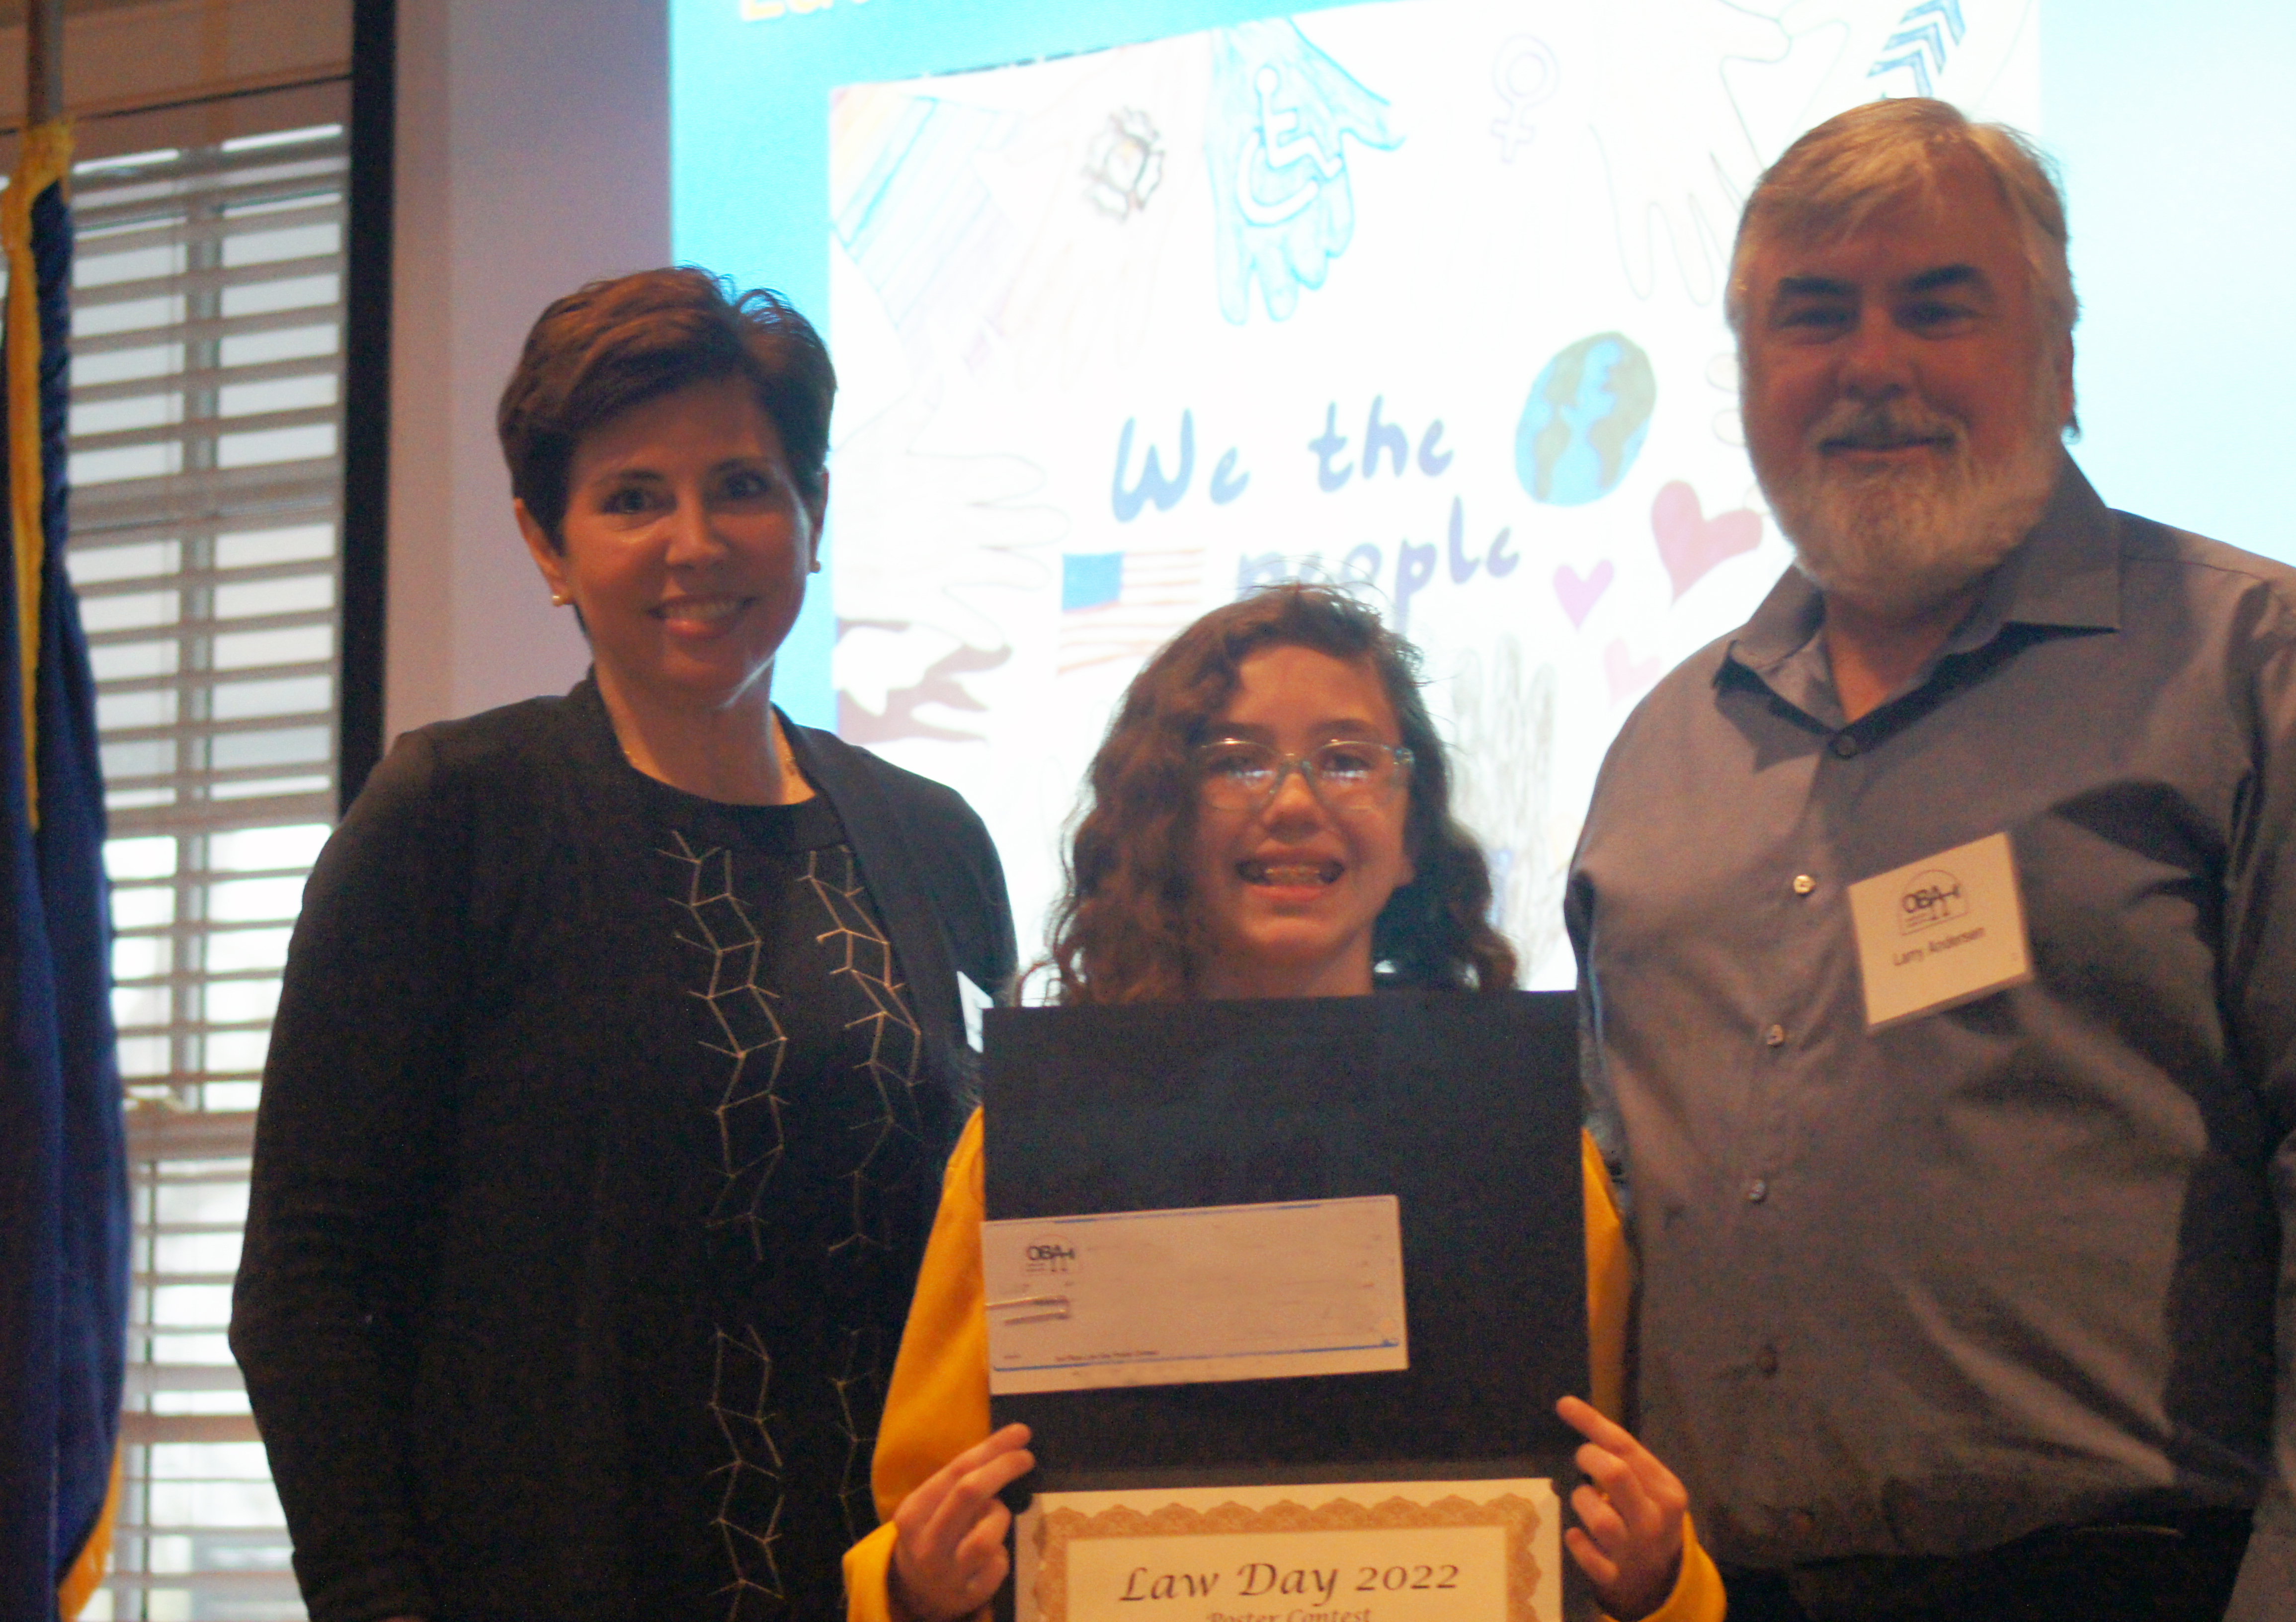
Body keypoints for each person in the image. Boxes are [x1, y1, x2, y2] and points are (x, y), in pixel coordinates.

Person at [1568, 97, 2296, 1622]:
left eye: (1940, 305)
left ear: (2063, 357)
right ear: (1753, 375)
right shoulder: (1660, 763)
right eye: (1814, 316)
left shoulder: (2271, 672)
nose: (1871, 365)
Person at [230, 268, 1016, 1622]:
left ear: (813, 515)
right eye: (633, 498)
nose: (695, 541)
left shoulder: (934, 840)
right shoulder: (452, 817)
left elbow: (994, 1257)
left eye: (746, 487)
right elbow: (306, 1290)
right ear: (548, 545)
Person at [841, 584, 1727, 1622]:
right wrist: (914, 1587)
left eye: (1348, 758)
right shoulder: (1031, 1146)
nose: (1295, 801)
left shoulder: (1523, 1152)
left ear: (1409, 835)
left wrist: (1657, 1581)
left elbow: (1610, 1517)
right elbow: (915, 1532)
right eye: (1235, 761)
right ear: (1164, 820)